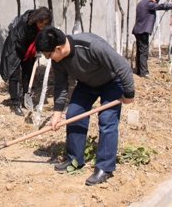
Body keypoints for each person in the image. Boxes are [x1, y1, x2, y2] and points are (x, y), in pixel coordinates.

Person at [35, 26, 135, 186]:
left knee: (107, 120)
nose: (49, 59)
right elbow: (61, 86)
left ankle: (105, 168)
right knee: (73, 114)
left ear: (58, 48)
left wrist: (129, 94)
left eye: (48, 55)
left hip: (111, 82)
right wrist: (57, 114)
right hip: (87, 84)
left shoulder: (91, 46)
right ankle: (74, 159)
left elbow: (122, 66)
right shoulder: (58, 60)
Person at [0, 7, 52, 115]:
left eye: (45, 24)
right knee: (14, 75)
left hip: (29, 49)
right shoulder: (25, 24)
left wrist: (39, 49)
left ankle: (25, 98)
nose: (42, 26)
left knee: (27, 74)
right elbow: (19, 42)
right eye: (41, 23)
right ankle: (15, 103)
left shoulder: (42, 26)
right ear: (37, 19)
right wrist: (33, 50)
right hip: (15, 49)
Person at [132, 0, 172, 78]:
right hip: (143, 31)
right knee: (144, 52)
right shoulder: (149, 3)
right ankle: (144, 72)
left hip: (137, 30)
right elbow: (159, 6)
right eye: (155, 2)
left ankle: (139, 70)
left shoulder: (141, 3)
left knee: (139, 51)